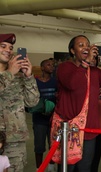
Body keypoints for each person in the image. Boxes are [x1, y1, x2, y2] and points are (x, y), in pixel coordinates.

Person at [54, 35, 101, 171]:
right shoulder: (64, 68)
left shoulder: (94, 71)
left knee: (85, 167)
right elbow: (72, 84)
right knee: (68, 168)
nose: (85, 48)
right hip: (70, 129)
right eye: (81, 45)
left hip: (89, 129)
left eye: (87, 45)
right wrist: (86, 62)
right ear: (72, 50)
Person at [0, 33, 40, 172]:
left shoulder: (18, 77)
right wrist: (10, 73)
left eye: (11, 48)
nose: (8, 50)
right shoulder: (11, 73)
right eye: (3, 46)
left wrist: (28, 76)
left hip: (15, 141)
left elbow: (32, 102)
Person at [32, 59, 57, 171]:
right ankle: (39, 168)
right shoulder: (35, 82)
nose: (51, 66)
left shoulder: (55, 82)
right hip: (39, 120)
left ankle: (51, 167)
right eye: (48, 65)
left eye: (52, 65)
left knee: (52, 145)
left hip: (53, 119)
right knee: (39, 147)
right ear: (42, 68)